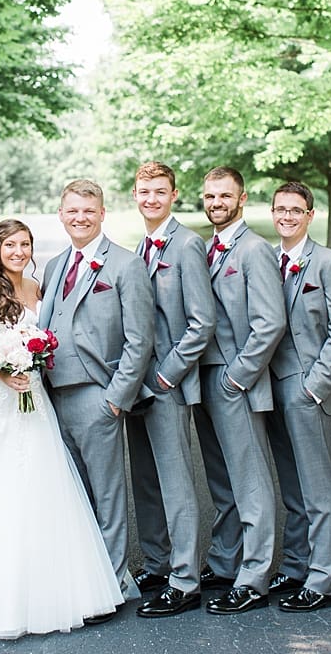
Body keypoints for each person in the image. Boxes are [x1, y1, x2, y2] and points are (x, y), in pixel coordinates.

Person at [0, 219, 123, 640]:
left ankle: (54, 591)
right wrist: (3, 370)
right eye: (10, 244)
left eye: (25, 244)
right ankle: (5, 602)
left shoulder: (36, 287)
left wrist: (30, 363)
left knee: (45, 489)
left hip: (35, 403)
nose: (19, 251)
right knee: (3, 494)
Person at [38, 179, 153, 617]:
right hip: (53, 396)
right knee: (75, 495)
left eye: (88, 211)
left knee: (107, 495)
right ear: (62, 214)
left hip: (97, 395)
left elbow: (139, 340)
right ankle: (84, 581)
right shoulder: (53, 267)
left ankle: (111, 584)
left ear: (102, 214)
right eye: (72, 211)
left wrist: (116, 398)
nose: (80, 218)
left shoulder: (125, 265)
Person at [264, 181, 331, 613]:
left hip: (307, 386)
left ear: (310, 215)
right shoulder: (268, 260)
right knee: (291, 484)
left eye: (295, 210)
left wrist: (315, 386)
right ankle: (296, 563)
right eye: (280, 209)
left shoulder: (328, 263)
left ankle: (323, 578)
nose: (286, 216)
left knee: (318, 487)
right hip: (271, 386)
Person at [193, 166, 285, 615]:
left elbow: (270, 323)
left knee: (249, 482)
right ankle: (226, 560)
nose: (216, 204)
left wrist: (237, 376)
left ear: (242, 199)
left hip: (234, 380)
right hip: (203, 378)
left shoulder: (254, 251)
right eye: (210, 197)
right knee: (220, 479)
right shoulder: (205, 248)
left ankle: (254, 575)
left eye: (224, 196)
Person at [126, 162, 215, 618]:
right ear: (135, 194)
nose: (151, 199)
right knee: (145, 479)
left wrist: (168, 375)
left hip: (166, 383)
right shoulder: (139, 246)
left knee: (177, 483)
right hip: (136, 383)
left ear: (174, 195)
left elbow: (202, 323)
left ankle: (185, 580)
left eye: (160, 192)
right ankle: (158, 563)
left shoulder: (187, 244)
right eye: (144, 191)